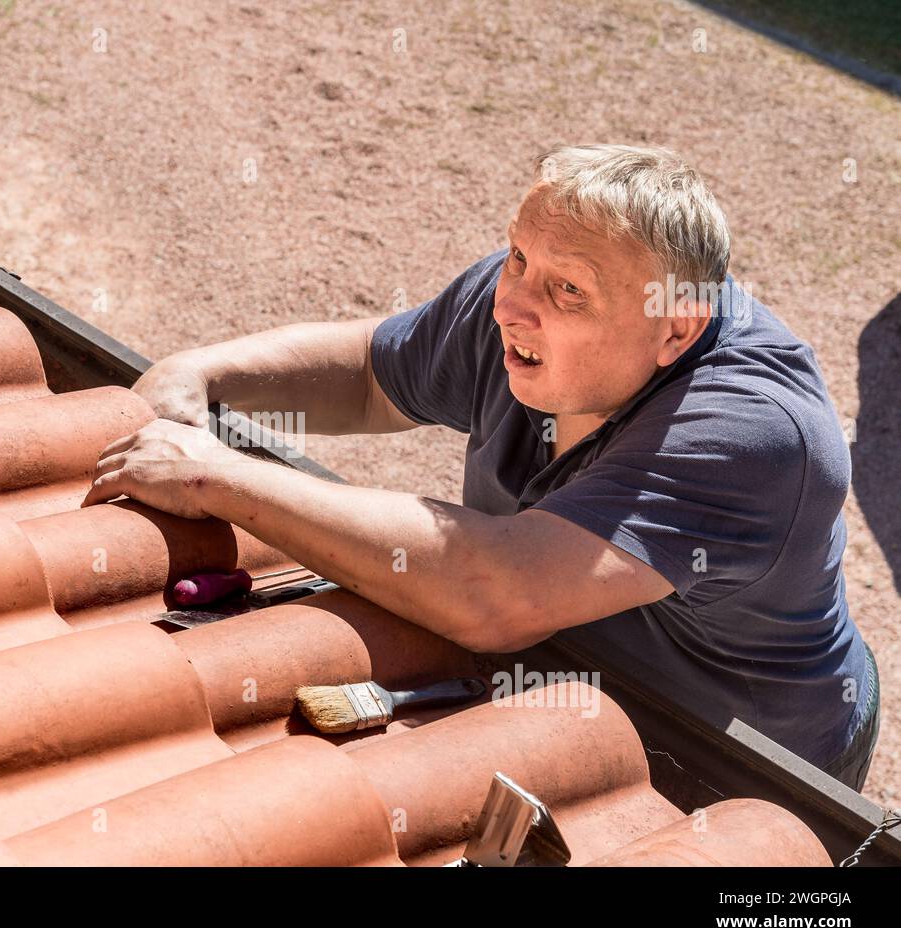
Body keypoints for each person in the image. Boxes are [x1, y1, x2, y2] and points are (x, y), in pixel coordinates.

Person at [82, 144, 879, 791]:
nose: (513, 304)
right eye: (518, 258)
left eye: (568, 290)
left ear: (676, 329)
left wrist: (212, 474)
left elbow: (492, 591)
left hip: (744, 761)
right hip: (566, 684)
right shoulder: (523, 299)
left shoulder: (755, 434)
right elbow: (369, 378)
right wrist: (204, 374)